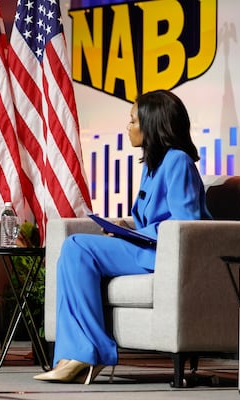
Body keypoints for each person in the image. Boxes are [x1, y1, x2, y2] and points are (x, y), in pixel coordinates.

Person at [34, 89, 212, 384]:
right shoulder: (153, 166)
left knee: (78, 246)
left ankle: (89, 354)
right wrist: (125, 229)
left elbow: (186, 223)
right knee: (74, 250)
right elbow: (154, 219)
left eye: (132, 120)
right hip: (146, 248)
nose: (127, 127)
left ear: (152, 123)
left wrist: (133, 235)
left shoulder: (178, 161)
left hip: (164, 256)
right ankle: (71, 354)